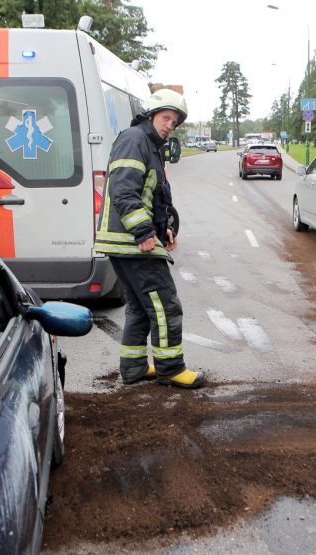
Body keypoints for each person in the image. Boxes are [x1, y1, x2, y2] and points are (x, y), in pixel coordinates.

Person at [95, 89, 204, 389]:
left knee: (140, 308)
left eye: (175, 121)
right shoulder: (134, 139)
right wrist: (143, 232)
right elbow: (124, 191)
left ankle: (133, 369)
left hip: (124, 242)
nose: (170, 124)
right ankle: (171, 369)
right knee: (165, 305)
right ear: (151, 114)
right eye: (166, 117)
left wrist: (163, 227)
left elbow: (152, 195)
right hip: (129, 241)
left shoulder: (152, 145)